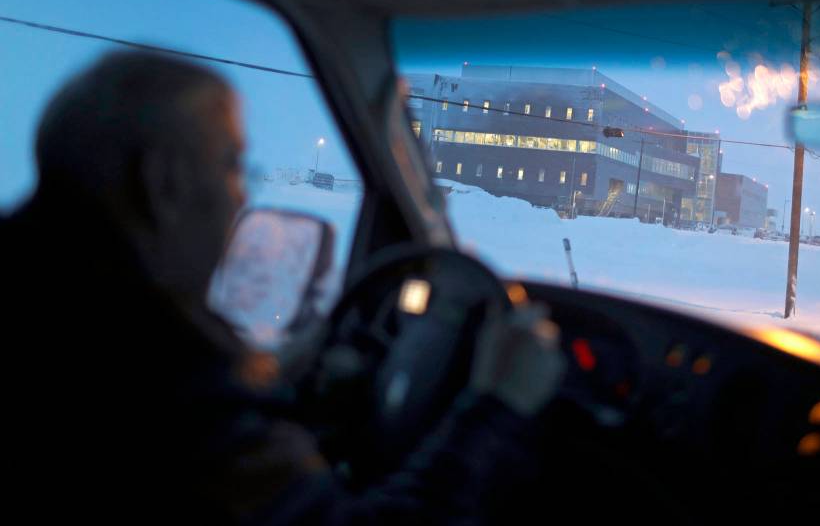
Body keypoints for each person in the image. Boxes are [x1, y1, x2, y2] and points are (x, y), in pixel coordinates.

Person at [0, 51, 565, 523]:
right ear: (162, 181)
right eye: (231, 165)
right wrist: (496, 406)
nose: (242, 195)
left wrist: (288, 376)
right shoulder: (161, 378)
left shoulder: (56, 301)